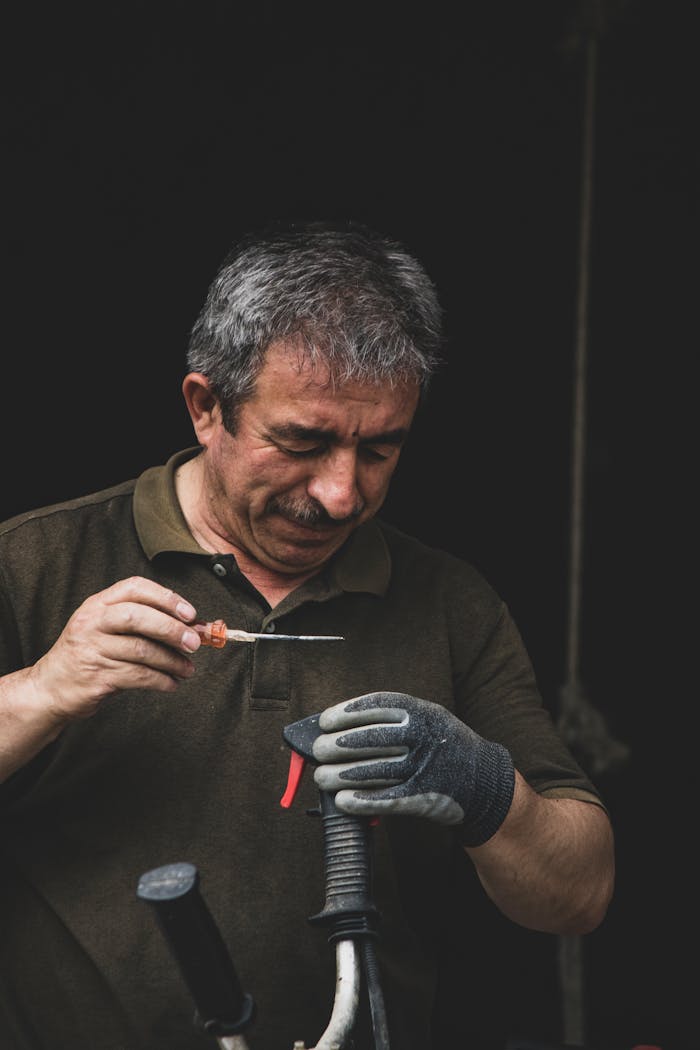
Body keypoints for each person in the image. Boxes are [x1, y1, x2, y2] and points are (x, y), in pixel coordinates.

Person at [0, 219, 614, 1050]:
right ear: (206, 406)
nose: (338, 495)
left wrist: (484, 787)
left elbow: (579, 898)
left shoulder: (451, 605)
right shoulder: (32, 562)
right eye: (303, 442)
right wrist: (40, 691)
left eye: (380, 450)